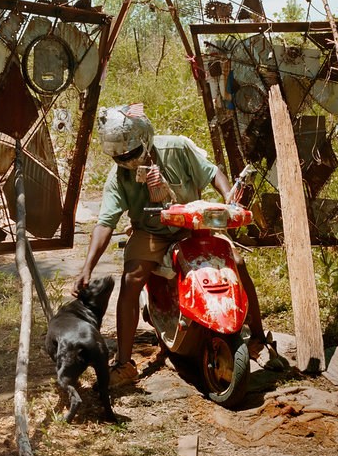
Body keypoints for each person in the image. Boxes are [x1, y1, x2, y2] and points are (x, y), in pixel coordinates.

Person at [73, 103, 267, 387]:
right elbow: (105, 223)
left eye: (132, 153)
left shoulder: (177, 149)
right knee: (132, 279)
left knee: (236, 264)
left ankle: (258, 337)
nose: (127, 160)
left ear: (145, 139)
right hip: (152, 232)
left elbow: (212, 172)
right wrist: (87, 267)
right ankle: (124, 363)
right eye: (120, 157)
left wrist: (229, 198)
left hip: (195, 227)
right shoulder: (119, 177)